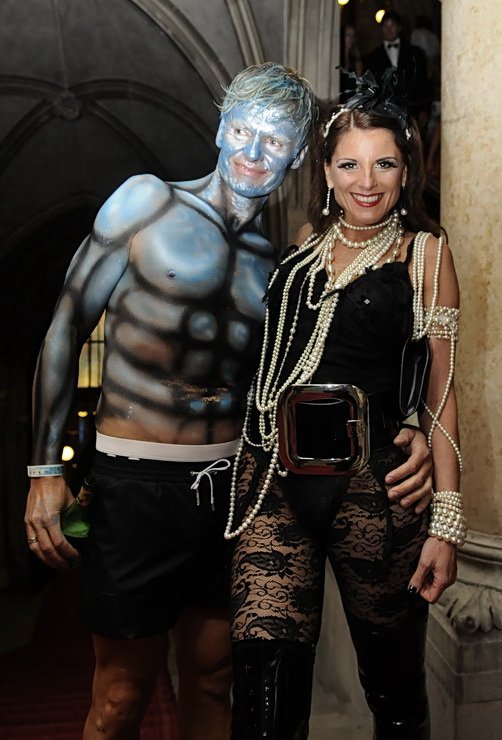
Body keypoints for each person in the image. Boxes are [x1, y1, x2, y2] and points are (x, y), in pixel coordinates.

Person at [24, 62, 432, 739]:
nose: (253, 152)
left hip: (232, 491)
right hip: (134, 484)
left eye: (275, 141)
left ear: (297, 158)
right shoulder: (146, 203)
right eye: (242, 131)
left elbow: (325, 367)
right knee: (121, 696)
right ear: (220, 129)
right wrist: (43, 470)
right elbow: (65, 328)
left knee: (214, 683)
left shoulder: (278, 265)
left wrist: (408, 423)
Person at [225, 71, 466, 739]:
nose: (367, 180)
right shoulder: (305, 244)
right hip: (273, 482)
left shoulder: (425, 254)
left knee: (394, 693)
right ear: (327, 172)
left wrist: (447, 522)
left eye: (384, 163)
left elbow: (443, 389)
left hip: (374, 490)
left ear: (405, 172)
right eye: (350, 164)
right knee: (263, 695)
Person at [363, 10, 430, 132]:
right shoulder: (371, 58)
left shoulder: (415, 53)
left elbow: (422, 82)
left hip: (411, 111)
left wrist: (424, 109)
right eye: (385, 26)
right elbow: (370, 88)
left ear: (399, 27)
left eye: (392, 25)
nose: (389, 29)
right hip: (384, 114)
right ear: (381, 29)